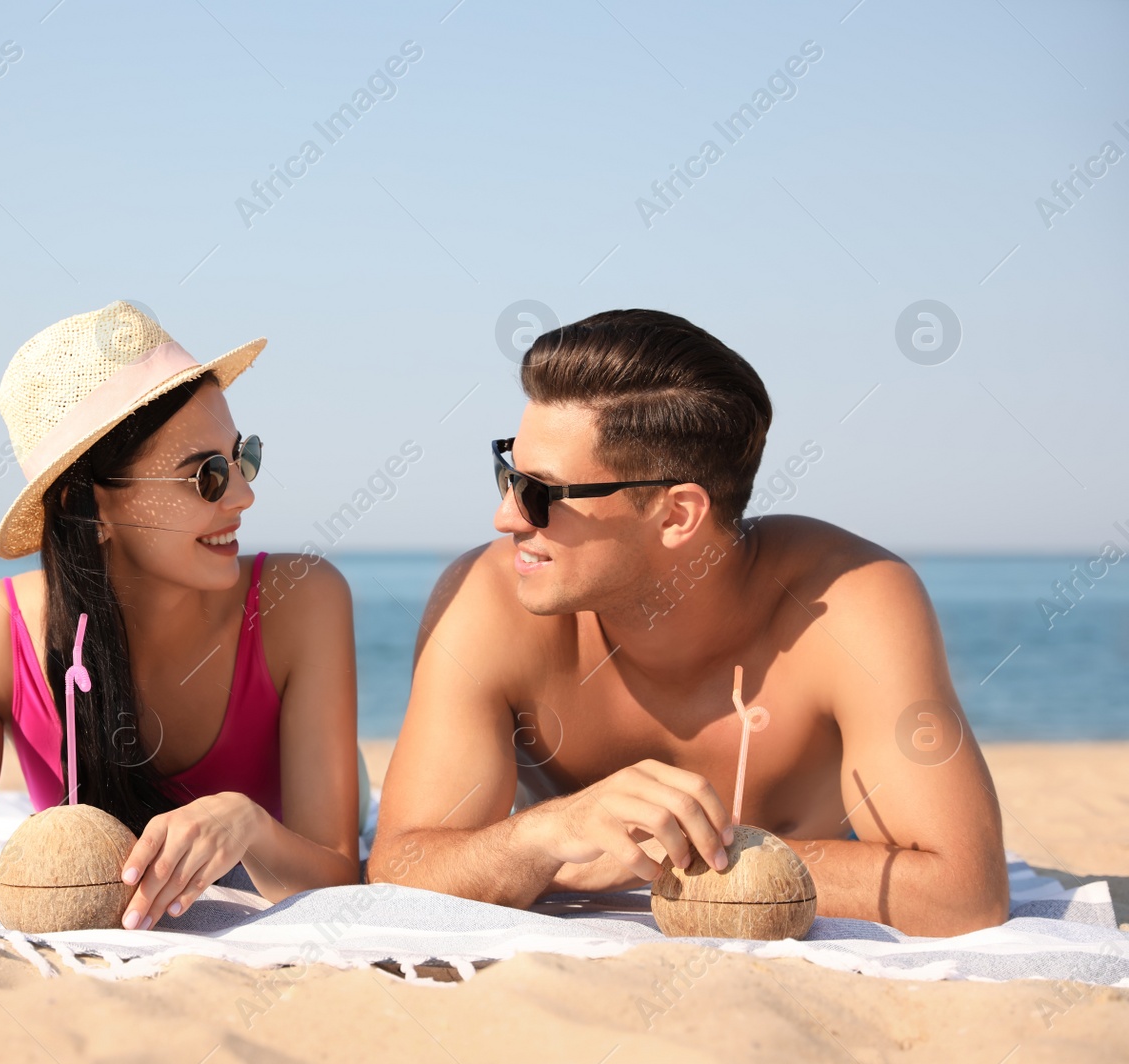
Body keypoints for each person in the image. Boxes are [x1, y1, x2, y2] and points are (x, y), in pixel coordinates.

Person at [368, 309, 1008, 936]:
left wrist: (670, 855)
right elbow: (399, 866)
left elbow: (963, 893)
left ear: (677, 515)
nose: (506, 518)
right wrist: (547, 831)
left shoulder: (851, 603)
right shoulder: (490, 597)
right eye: (508, 471)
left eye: (541, 494)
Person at [0, 301, 360, 930]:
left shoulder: (300, 602)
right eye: (207, 476)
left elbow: (338, 880)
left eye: (241, 457)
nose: (246, 494)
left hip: (291, 829)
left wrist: (247, 823)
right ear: (89, 506)